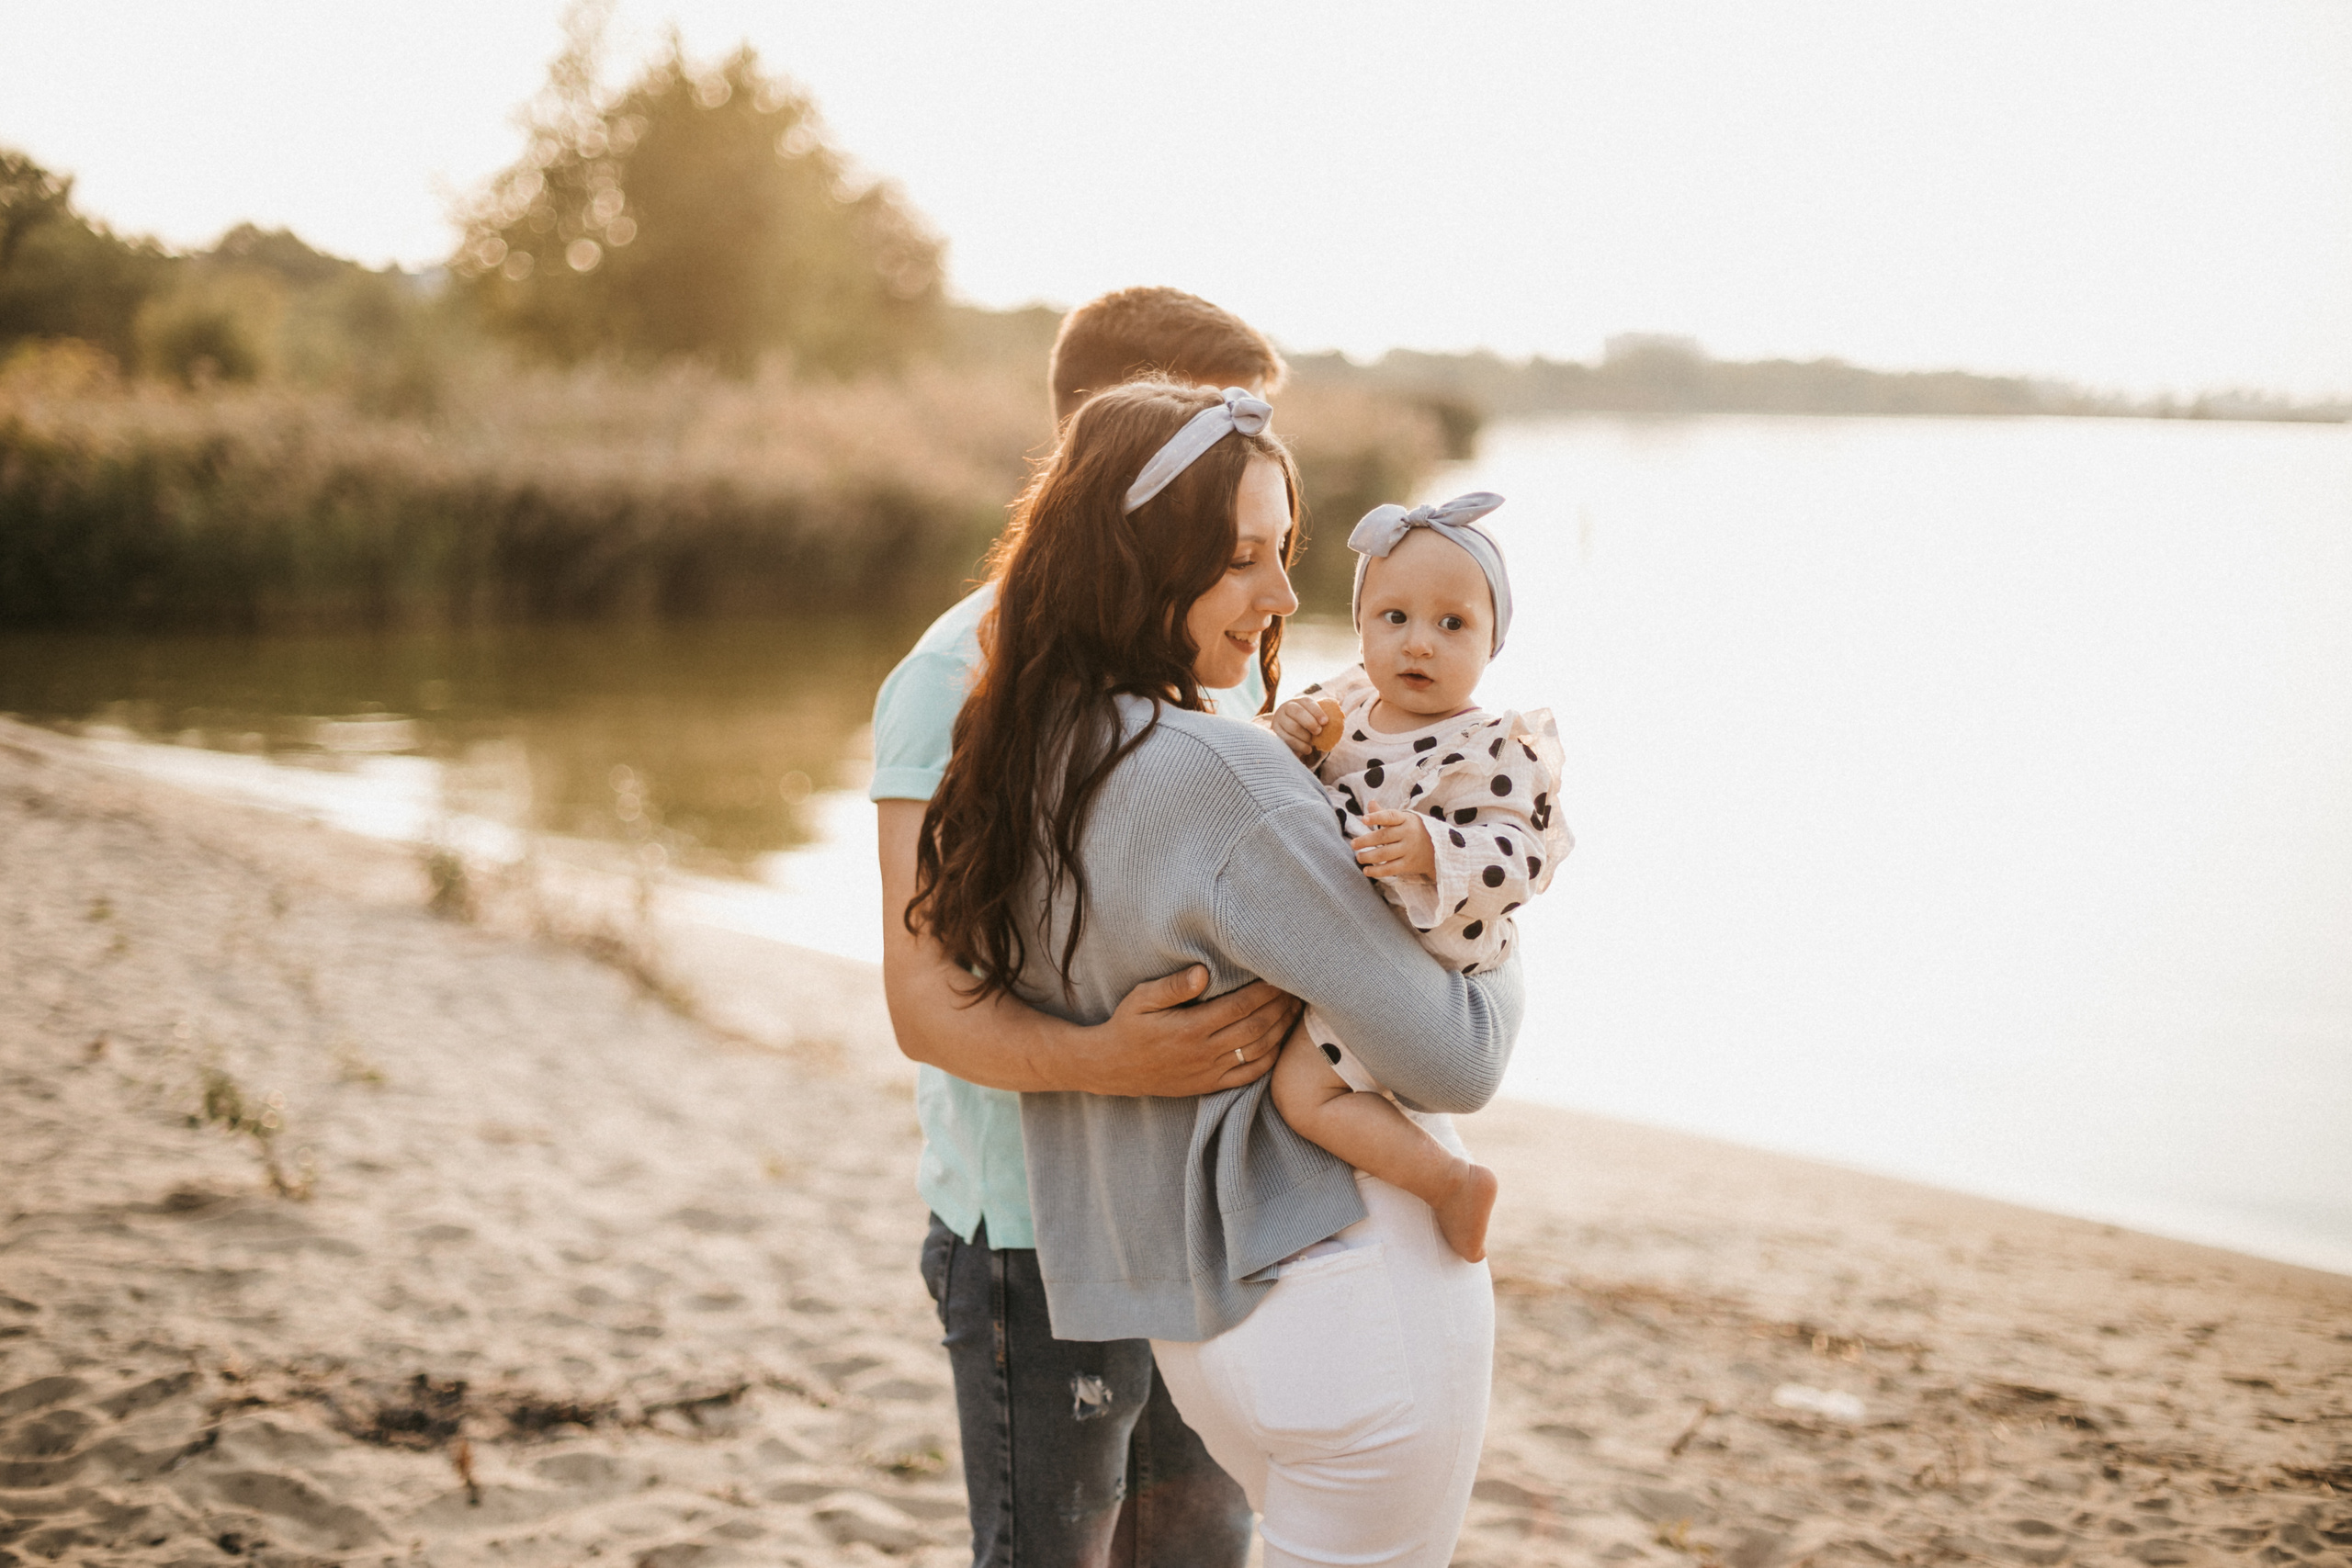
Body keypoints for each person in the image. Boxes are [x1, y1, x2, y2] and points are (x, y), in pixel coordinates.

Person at [910, 379, 1522, 1568]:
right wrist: (1493, 886)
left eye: (1286, 550)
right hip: (1348, 1304)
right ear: (1139, 558)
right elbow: (1461, 1058)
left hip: (1199, 1332)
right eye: (1243, 555)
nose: (1285, 596)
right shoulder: (1220, 778)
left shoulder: (1014, 758)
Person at [870, 288, 1296, 1566]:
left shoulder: (1177, 663)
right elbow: (921, 999)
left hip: (1186, 1217)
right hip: (1031, 1239)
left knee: (1200, 1550)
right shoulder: (953, 680)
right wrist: (1114, 1060)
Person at [1261, 492, 1568, 1265]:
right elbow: (1284, 786)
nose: (1418, 645)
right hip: (1355, 947)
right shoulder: (1346, 702)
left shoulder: (1491, 747)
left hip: (1428, 968)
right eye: (1393, 618)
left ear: (1495, 641)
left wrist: (1435, 846)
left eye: (1452, 623)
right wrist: (1290, 732)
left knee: (1302, 1093)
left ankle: (1450, 1183)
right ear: (1361, 626)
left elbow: (1522, 859)